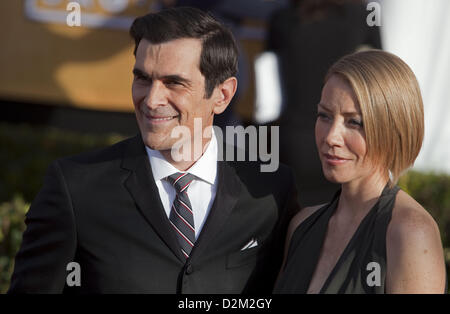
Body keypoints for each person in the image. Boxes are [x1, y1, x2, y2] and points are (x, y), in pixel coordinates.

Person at [8, 7, 299, 293]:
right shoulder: (75, 188)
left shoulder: (269, 191)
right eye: (143, 79)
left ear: (222, 95)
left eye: (174, 83)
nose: (151, 99)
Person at [274, 50, 447, 293]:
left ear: (392, 129)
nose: (331, 137)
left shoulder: (410, 233)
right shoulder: (301, 227)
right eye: (324, 116)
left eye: (354, 122)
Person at [267, 0, 382, 207]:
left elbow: (266, 97)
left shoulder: (282, 18)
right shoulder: (365, 14)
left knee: (294, 226)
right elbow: (381, 79)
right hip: (348, 140)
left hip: (293, 141)